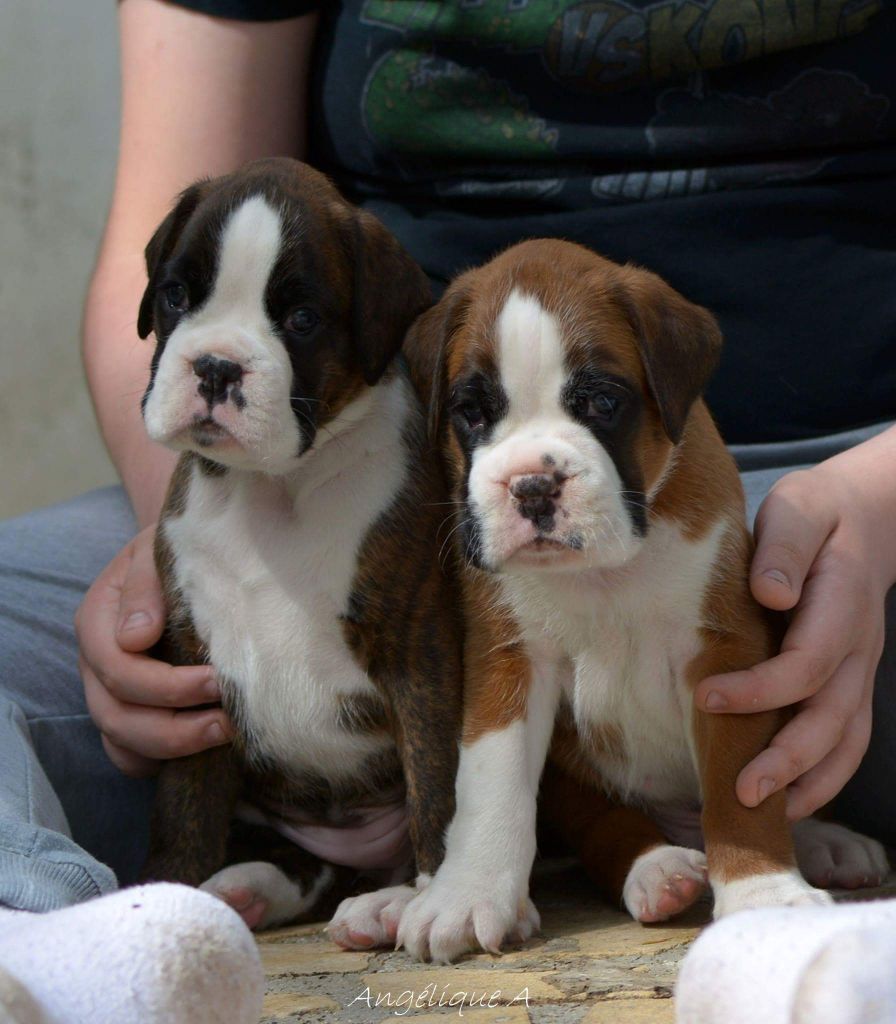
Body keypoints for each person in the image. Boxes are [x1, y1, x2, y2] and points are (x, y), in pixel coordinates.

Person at [0, 0, 894, 1016]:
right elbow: (166, 248)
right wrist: (185, 538)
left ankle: (799, 955)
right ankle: (66, 962)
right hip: (363, 483)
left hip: (855, 473)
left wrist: (884, 494)